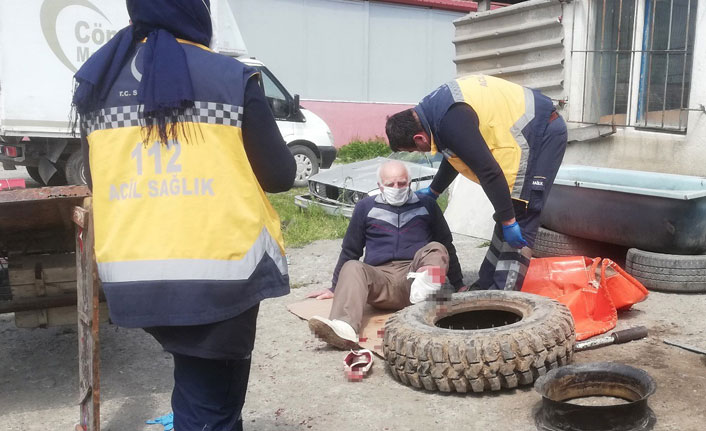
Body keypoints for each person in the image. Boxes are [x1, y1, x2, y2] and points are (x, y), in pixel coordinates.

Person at [72, 1, 296, 429]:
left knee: (194, 386)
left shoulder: (97, 81)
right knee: (210, 412)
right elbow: (282, 175)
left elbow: (96, 178)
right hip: (220, 282)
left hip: (135, 279)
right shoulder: (232, 77)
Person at [385, 74, 568, 292]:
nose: (420, 152)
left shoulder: (450, 120)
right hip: (524, 134)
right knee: (507, 214)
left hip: (542, 133)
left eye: (414, 150)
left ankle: (502, 301)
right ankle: (484, 286)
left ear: (419, 138)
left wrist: (509, 220)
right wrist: (434, 190)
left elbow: (489, 172)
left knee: (523, 214)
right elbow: (456, 153)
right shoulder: (432, 113)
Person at [306, 160, 464, 349]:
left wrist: (459, 283)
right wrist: (334, 287)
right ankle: (343, 328)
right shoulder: (365, 207)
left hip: (415, 279)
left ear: (410, 183)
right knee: (353, 266)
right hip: (380, 282)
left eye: (402, 183)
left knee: (437, 248)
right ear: (380, 186)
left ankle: (424, 296)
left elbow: (447, 245)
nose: (396, 188)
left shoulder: (427, 205)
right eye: (390, 184)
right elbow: (350, 250)